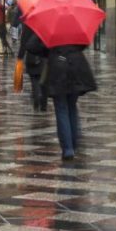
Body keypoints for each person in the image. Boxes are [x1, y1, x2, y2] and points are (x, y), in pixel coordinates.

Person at [25, 32, 97, 161]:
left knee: (61, 108)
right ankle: (73, 145)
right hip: (76, 65)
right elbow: (85, 42)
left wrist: (48, 51)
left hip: (57, 65)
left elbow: (31, 46)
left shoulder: (50, 28)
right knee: (72, 107)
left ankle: (68, 149)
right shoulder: (75, 26)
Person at [16, 22, 48, 112]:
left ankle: (36, 99)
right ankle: (44, 105)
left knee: (34, 79)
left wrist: (20, 56)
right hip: (45, 56)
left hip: (32, 55)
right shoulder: (48, 24)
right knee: (44, 81)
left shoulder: (29, 24)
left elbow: (24, 42)